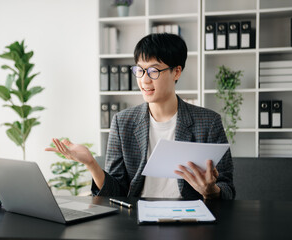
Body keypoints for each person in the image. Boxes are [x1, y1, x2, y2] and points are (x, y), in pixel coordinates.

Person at [46, 33, 235, 200]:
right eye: (139, 70)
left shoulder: (209, 122)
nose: (144, 79)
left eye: (153, 71)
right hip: (137, 214)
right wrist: (91, 163)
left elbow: (228, 189)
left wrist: (211, 191)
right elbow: (116, 192)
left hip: (191, 216)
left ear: (176, 72)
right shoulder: (123, 122)